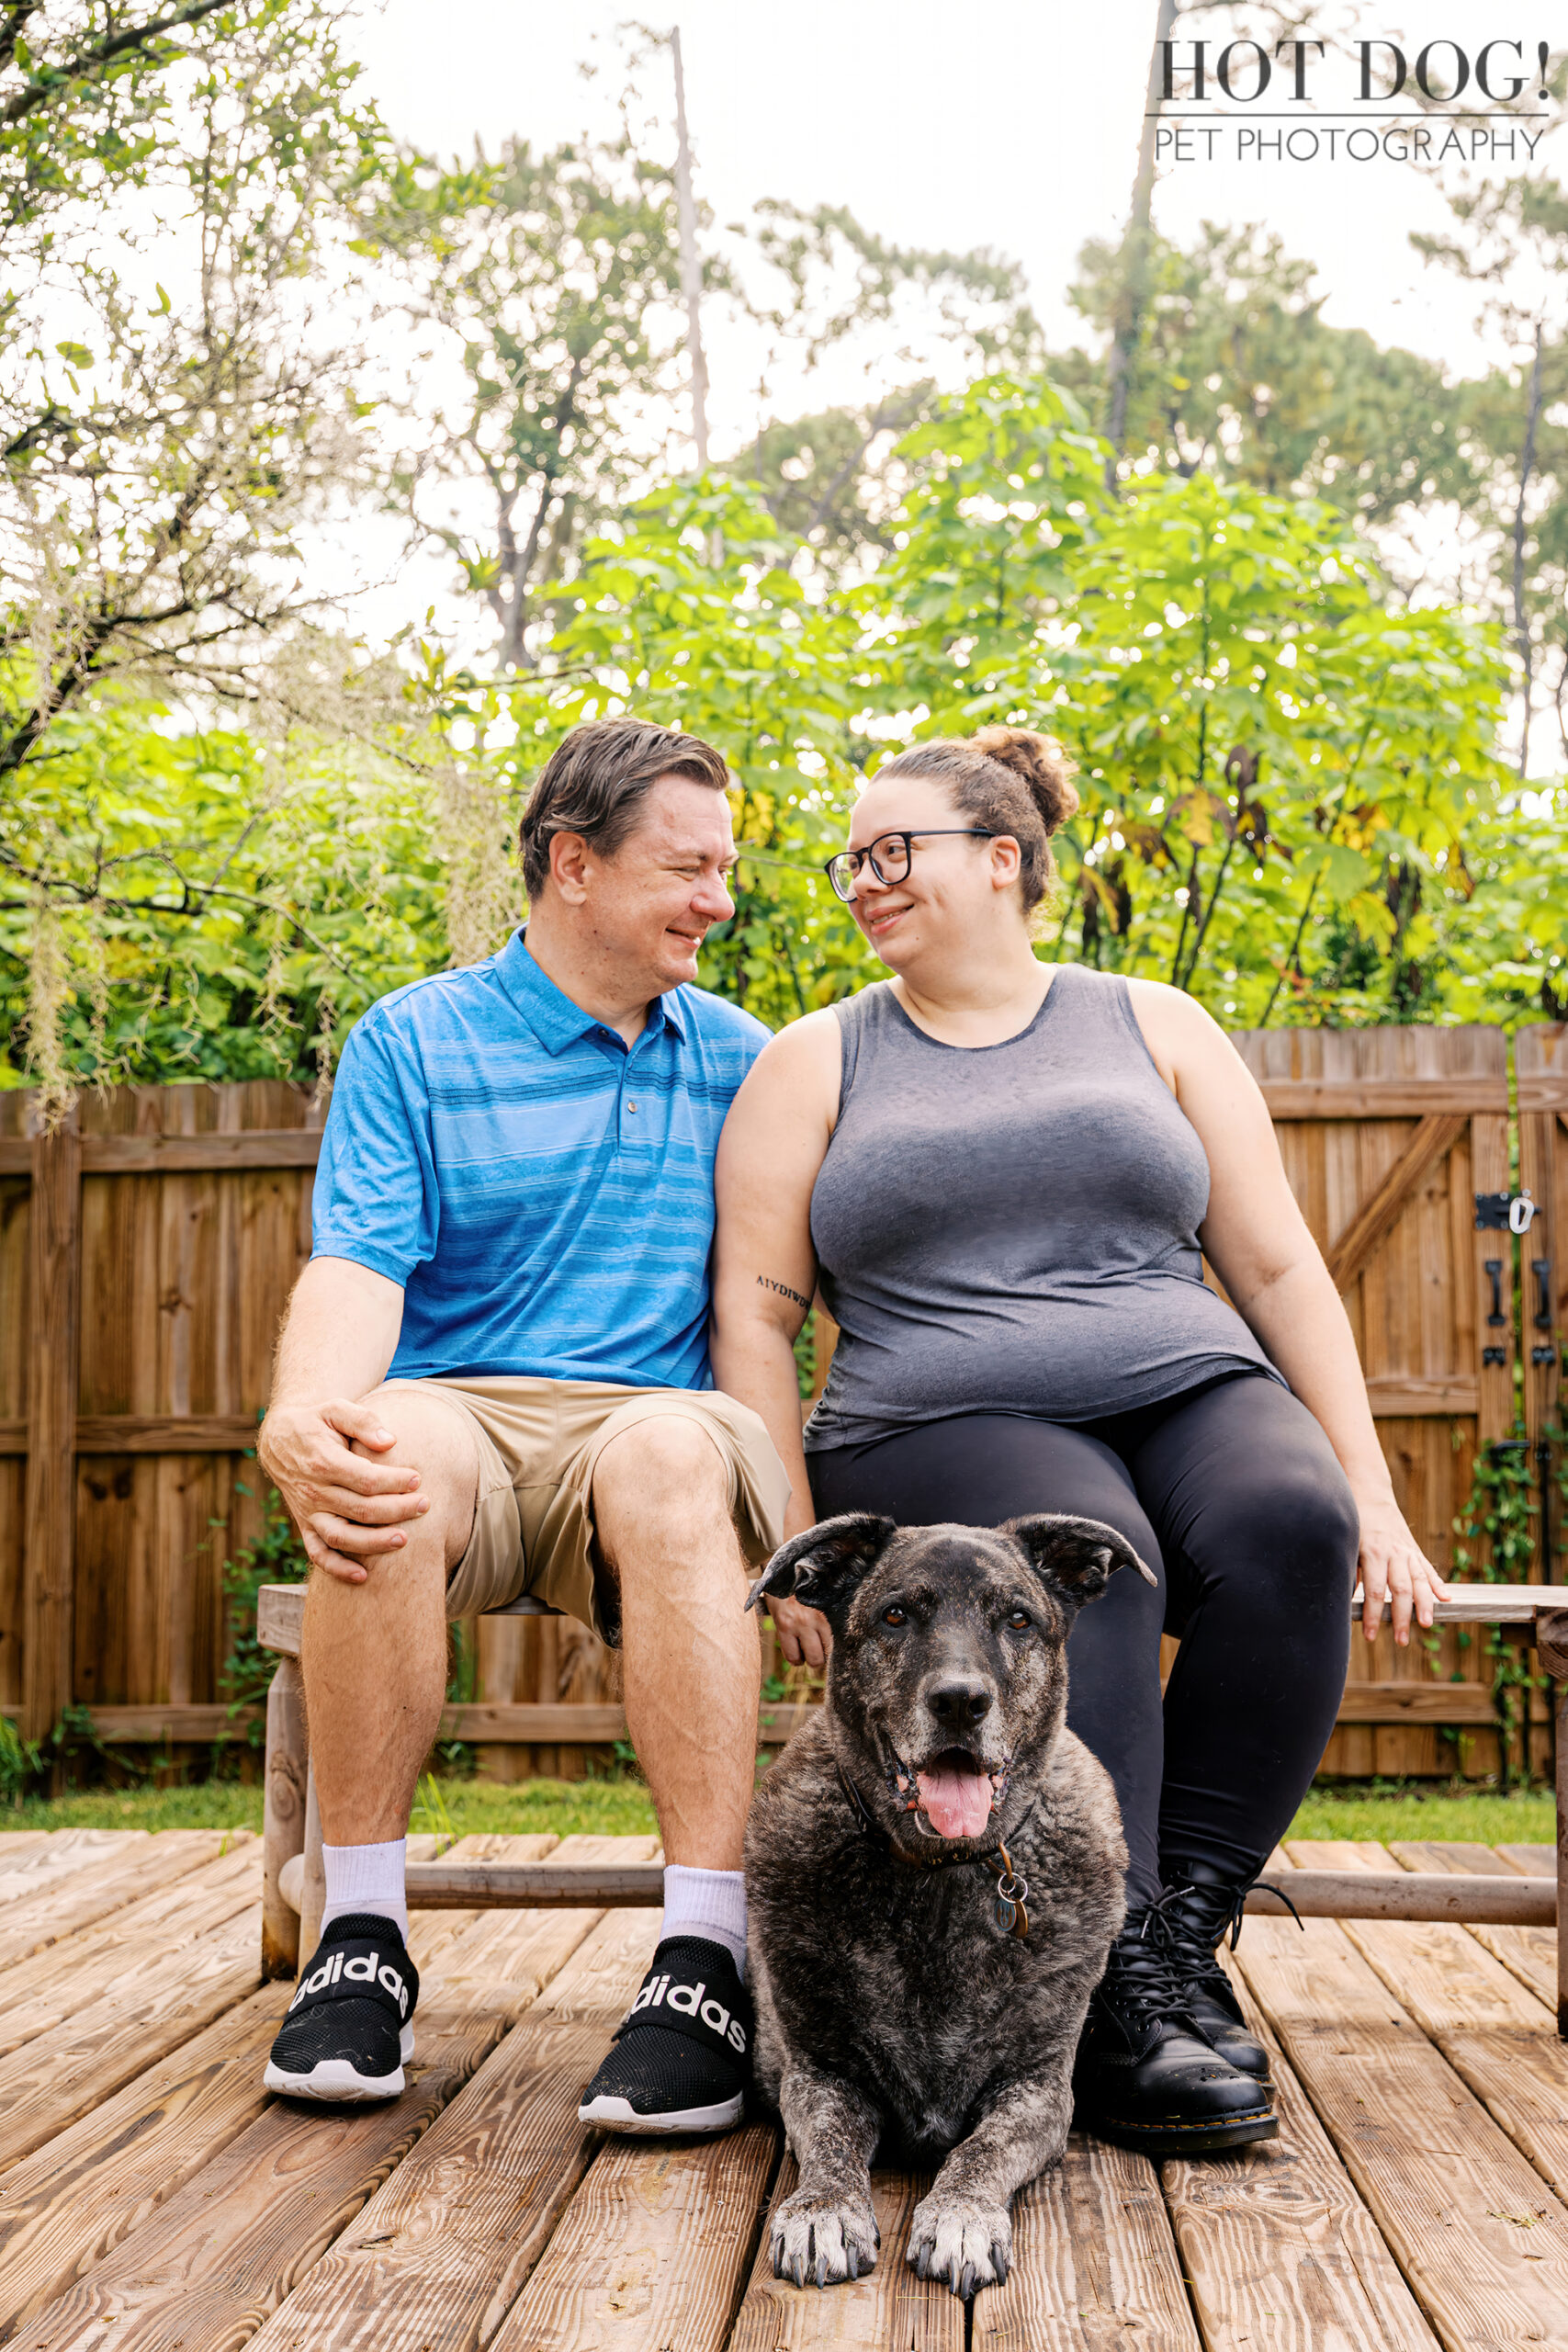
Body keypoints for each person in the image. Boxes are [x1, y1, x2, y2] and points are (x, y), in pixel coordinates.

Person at [711, 726, 1449, 2158]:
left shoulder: (1154, 1021)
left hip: (1186, 1377)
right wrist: (785, 1533)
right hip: (936, 1414)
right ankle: (1123, 1997)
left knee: (1294, 1524)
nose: (860, 880)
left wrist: (1371, 1484)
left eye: (890, 851)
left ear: (1003, 860)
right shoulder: (820, 1058)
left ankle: (1155, 1948)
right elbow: (756, 1309)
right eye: (847, 859)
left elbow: (1284, 1270)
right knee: (1076, 1552)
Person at [257, 717, 788, 2133]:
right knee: (385, 1452)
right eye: (689, 868)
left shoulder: (750, 1062)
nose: (718, 900)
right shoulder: (415, 1039)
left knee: (676, 1451)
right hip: (468, 1414)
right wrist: (306, 1412)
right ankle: (358, 1938)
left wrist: (807, 1537)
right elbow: (361, 1263)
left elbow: (799, 1300)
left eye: (725, 868)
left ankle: (701, 1962)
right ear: (572, 865)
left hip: (653, 1426)